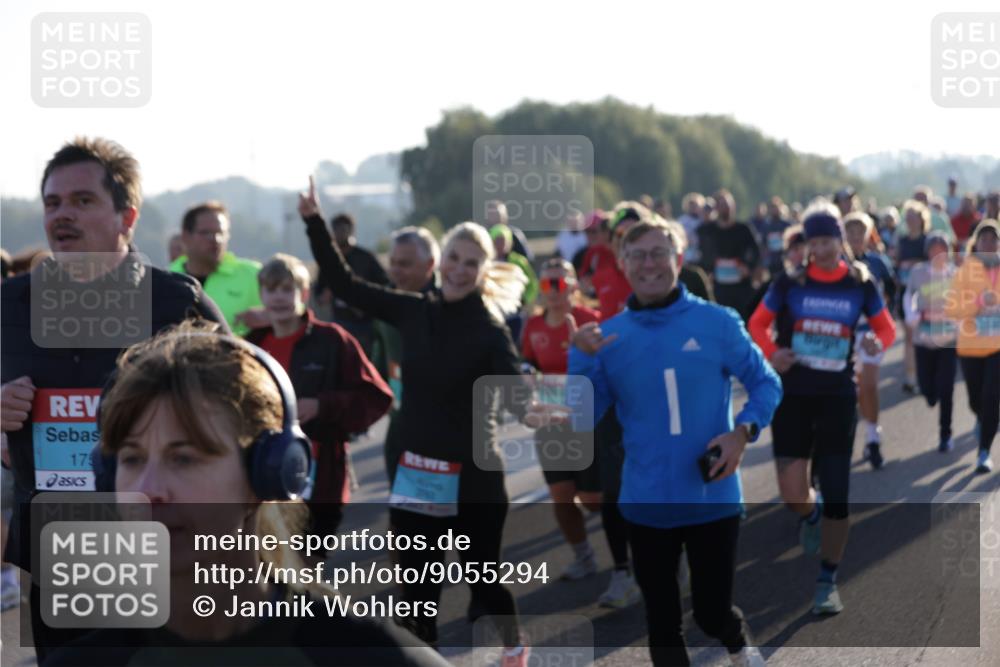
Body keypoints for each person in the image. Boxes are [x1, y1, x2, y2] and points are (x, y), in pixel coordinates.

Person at [44, 324, 448, 667]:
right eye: (131, 459)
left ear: (267, 476)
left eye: (184, 458)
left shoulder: (363, 655)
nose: (148, 491)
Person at [0, 137, 228, 662]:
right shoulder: (11, 304)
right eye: (53, 203)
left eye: (82, 201)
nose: (63, 215)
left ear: (127, 216)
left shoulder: (176, 302)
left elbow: (252, 408)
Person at [299, 177, 534, 665]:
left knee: (484, 581)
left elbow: (513, 391)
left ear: (483, 270)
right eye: (455, 258)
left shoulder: (489, 328)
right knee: (416, 592)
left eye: (473, 263)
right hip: (419, 472)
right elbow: (344, 284)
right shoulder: (411, 310)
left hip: (475, 477)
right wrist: (314, 223)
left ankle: (514, 647)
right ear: (440, 261)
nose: (461, 270)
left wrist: (535, 404)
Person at [569, 218, 780, 667]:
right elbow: (580, 415)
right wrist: (579, 359)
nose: (650, 264)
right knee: (662, 623)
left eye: (659, 253)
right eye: (638, 255)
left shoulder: (717, 322)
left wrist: (742, 433)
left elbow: (766, 383)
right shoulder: (607, 339)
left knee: (711, 613)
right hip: (646, 501)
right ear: (623, 264)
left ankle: (737, 642)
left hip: (713, 496)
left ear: (679, 260)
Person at [748, 201, 896, 616]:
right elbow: (757, 323)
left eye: (829, 239)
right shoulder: (789, 282)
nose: (824, 248)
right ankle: (809, 517)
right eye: (816, 241)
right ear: (808, 244)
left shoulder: (860, 283)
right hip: (793, 395)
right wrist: (773, 352)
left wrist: (876, 344)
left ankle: (828, 580)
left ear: (841, 241)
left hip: (836, 397)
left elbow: (885, 328)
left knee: (837, 493)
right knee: (793, 493)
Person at [246, 253, 393, 541]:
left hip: (321, 478)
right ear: (261, 294)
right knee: (268, 574)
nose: (279, 297)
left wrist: (323, 406)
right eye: (271, 289)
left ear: (303, 293)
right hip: (263, 480)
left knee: (308, 570)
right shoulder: (252, 347)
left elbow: (376, 397)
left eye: (287, 289)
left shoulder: (333, 340)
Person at [521, 258, 603, 581]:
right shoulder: (534, 326)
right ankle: (583, 557)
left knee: (595, 501)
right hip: (551, 423)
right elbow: (527, 363)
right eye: (545, 284)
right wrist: (527, 380)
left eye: (559, 282)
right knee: (561, 495)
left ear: (573, 285)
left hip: (589, 421)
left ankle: (634, 551)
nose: (552, 291)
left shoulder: (592, 320)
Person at [369, 227, 440, 479]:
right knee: (402, 512)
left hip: (443, 430)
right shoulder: (386, 301)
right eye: (393, 263)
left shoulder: (450, 305)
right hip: (400, 426)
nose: (396, 270)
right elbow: (380, 356)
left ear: (430, 264)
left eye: (405, 264)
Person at [945, 220, 1000, 473]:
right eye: (984, 239)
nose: (989, 243)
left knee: (992, 397)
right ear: (976, 243)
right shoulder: (965, 270)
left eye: (994, 239)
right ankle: (981, 417)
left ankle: (984, 451)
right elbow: (952, 309)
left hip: (997, 347)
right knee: (976, 400)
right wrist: (978, 302)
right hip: (970, 346)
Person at [843, 213, 897, 469]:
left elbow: (891, 290)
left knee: (869, 385)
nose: (855, 236)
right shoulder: (838, 264)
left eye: (859, 231)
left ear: (867, 235)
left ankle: (873, 437)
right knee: (850, 392)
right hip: (844, 334)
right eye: (850, 231)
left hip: (871, 331)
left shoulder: (877, 262)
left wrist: (885, 312)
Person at [170, 201, 263, 336]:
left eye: (221, 232)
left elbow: (297, 314)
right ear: (185, 236)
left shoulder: (253, 275)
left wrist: (271, 316)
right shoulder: (167, 280)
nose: (215, 239)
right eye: (205, 233)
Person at [903, 232, 959, 452]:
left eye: (942, 249)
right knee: (928, 389)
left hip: (948, 340)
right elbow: (909, 297)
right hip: (923, 340)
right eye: (934, 249)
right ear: (928, 252)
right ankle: (930, 394)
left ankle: (945, 434)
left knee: (947, 388)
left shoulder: (954, 274)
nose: (938, 253)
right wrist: (913, 315)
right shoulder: (918, 273)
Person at [313, 212, 391, 356]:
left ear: (351, 230)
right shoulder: (329, 260)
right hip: (340, 321)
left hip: (364, 324)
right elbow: (319, 294)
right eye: (336, 229)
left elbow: (385, 285)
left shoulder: (365, 258)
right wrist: (328, 293)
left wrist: (365, 297)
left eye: (343, 229)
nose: (339, 233)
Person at [696, 189, 762, 321]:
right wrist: (707, 271)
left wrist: (748, 267)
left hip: (741, 286)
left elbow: (756, 251)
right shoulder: (707, 230)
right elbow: (702, 254)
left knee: (742, 320)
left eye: (728, 205)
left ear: (733, 207)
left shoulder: (743, 229)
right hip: (719, 286)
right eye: (721, 205)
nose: (725, 208)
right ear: (716, 208)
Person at [894, 200, 931, 394]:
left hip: (924, 296)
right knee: (909, 337)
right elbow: (897, 265)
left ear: (921, 219)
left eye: (913, 217)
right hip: (905, 295)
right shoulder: (902, 241)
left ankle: (925, 375)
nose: (909, 221)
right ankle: (911, 378)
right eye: (907, 218)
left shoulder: (927, 241)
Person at [677, 193, 705, 264]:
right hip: (687, 254)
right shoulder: (682, 220)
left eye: (696, 205)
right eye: (691, 206)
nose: (693, 208)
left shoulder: (703, 220)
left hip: (700, 253)